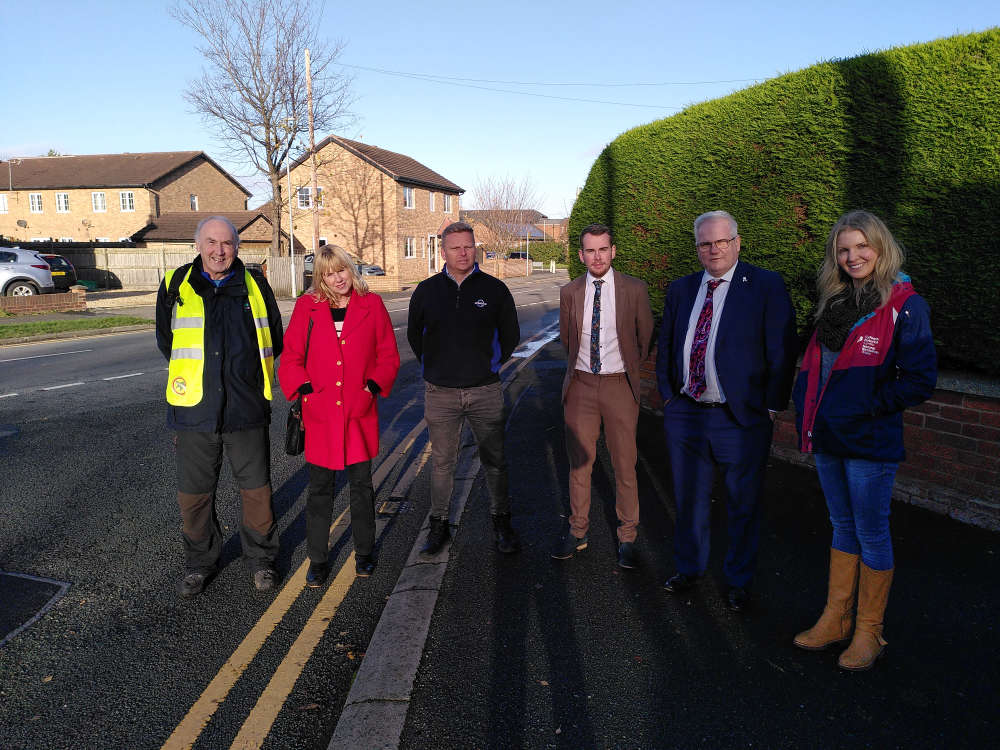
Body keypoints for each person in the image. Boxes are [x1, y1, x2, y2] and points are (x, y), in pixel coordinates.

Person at [792, 210, 936, 670]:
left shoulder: (905, 304)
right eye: (843, 249)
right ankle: (836, 619)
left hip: (869, 439)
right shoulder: (834, 302)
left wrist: (865, 406)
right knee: (841, 525)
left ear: (880, 247)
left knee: (871, 531)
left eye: (861, 246)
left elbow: (920, 380)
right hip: (828, 434)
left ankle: (869, 632)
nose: (852, 257)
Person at [655, 210, 798, 611]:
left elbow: (782, 348)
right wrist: (668, 395)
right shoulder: (682, 289)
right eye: (705, 243)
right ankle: (689, 568)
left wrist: (772, 405)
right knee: (689, 498)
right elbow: (667, 343)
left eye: (721, 241)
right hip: (687, 412)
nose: (714, 249)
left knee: (742, 502)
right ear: (697, 248)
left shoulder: (765, 285)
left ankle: (738, 581)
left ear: (737, 243)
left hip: (740, 417)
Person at [155, 216, 284, 598]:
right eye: (211, 242)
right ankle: (199, 564)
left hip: (246, 407)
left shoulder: (255, 284)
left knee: (257, 492)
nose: (219, 250)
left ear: (237, 248)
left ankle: (261, 561)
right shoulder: (175, 284)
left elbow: (274, 338)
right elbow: (167, 340)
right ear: (198, 245)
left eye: (227, 243)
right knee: (194, 496)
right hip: (194, 409)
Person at [278, 245, 400, 585]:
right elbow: (291, 357)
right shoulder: (307, 307)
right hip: (320, 414)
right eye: (328, 274)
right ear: (320, 277)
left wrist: (371, 388)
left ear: (350, 269)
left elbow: (387, 355)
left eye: (341, 270)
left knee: (361, 487)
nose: (337, 279)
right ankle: (318, 558)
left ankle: (364, 552)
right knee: (320, 489)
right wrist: (305, 391)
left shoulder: (372, 304)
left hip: (359, 412)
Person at [407, 221, 521, 555]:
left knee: (495, 461)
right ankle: (439, 525)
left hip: (485, 391)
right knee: (442, 463)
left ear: (475, 248)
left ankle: (502, 522)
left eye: (468, 246)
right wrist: (435, 368)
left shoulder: (495, 290)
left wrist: (489, 366)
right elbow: (415, 336)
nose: (463, 253)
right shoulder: (426, 291)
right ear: (443, 252)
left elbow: (511, 336)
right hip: (440, 394)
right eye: (455, 248)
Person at [551, 223, 654, 568]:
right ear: (581, 255)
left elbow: (644, 337)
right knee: (580, 465)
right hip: (581, 385)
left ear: (613, 251)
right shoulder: (569, 292)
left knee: (625, 464)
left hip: (619, 385)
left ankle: (628, 536)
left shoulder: (634, 289)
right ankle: (578, 530)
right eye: (590, 251)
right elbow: (567, 339)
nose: (597, 257)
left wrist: (625, 369)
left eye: (603, 249)